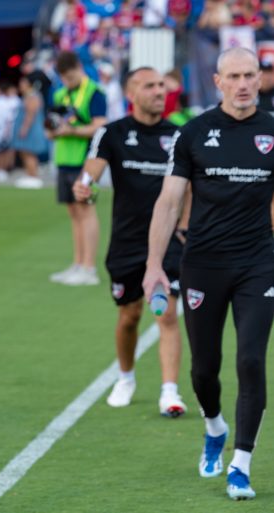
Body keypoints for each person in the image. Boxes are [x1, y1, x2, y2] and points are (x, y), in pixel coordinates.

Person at [143, 47, 274, 501]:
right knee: (203, 370)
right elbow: (168, 203)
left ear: (260, 79)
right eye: (233, 76)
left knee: (251, 360)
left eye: (250, 75)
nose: (243, 84)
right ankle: (215, 426)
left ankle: (241, 464)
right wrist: (154, 266)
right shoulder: (194, 133)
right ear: (217, 81)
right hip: (202, 263)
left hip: (259, 264)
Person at [72, 67, 187, 416]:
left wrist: (184, 226)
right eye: (150, 86)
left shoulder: (179, 135)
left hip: (168, 241)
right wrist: (85, 186)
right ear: (130, 93)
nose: (159, 91)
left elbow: (190, 186)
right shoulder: (112, 133)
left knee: (167, 313)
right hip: (127, 242)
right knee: (130, 315)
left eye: (162, 85)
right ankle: (125, 377)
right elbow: (92, 170)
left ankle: (170, 392)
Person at [46, 50, 107, 286]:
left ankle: (89, 268)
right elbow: (50, 128)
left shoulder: (95, 92)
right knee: (74, 213)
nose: (67, 82)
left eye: (70, 77)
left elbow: (100, 127)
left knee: (86, 210)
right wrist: (54, 131)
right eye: (64, 78)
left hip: (87, 161)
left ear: (79, 68)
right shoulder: (60, 94)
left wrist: (71, 130)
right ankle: (78, 263)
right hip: (64, 159)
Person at [13, 76, 47, 189]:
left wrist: (24, 128)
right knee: (25, 153)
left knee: (29, 153)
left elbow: (31, 113)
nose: (20, 85)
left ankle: (33, 176)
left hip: (31, 129)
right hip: (28, 128)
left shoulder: (32, 95)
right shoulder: (28, 95)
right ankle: (29, 175)